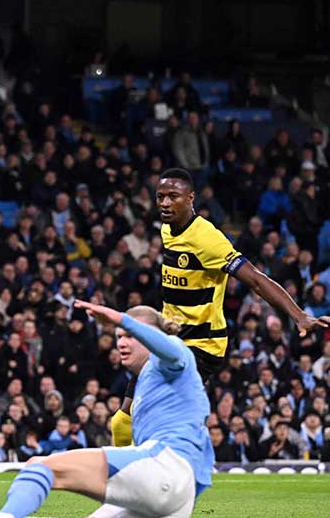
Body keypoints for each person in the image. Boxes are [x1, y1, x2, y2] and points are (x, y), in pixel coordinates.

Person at [0, 301, 213, 518]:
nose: (122, 342)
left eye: (130, 335)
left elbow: (170, 348)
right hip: (172, 506)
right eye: (119, 336)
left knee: (40, 465)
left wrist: (122, 319)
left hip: (164, 470)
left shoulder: (173, 357)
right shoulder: (148, 385)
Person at [111, 168, 330, 447]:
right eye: (161, 197)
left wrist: (298, 315)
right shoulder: (167, 229)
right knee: (121, 423)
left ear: (190, 198)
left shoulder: (208, 240)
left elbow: (256, 280)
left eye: (173, 197)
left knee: (158, 421)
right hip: (169, 340)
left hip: (201, 346)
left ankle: (176, 476)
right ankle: (125, 484)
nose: (165, 203)